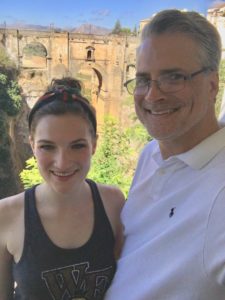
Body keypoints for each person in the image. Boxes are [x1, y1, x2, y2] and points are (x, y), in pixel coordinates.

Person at [105, 9, 225, 300]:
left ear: (212, 85)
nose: (152, 95)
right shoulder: (151, 154)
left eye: (174, 78)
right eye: (143, 79)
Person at [0, 77, 125, 299]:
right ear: (32, 145)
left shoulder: (113, 202)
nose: (62, 162)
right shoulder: (6, 215)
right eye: (47, 146)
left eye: (77, 146)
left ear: (94, 144)